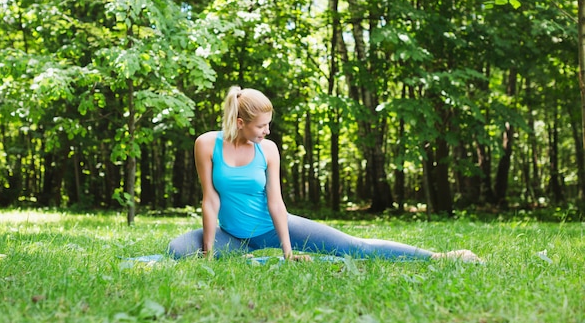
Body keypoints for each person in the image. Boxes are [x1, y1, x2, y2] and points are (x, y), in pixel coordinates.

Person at [166, 86, 482, 263]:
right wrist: (208, 250)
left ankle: (438, 256)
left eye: (268, 124)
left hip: (274, 228)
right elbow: (209, 200)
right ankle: (245, 253)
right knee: (177, 250)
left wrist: (287, 251)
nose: (267, 130)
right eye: (261, 125)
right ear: (239, 123)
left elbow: (276, 204)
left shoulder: (269, 150)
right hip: (232, 235)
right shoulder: (206, 144)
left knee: (354, 247)